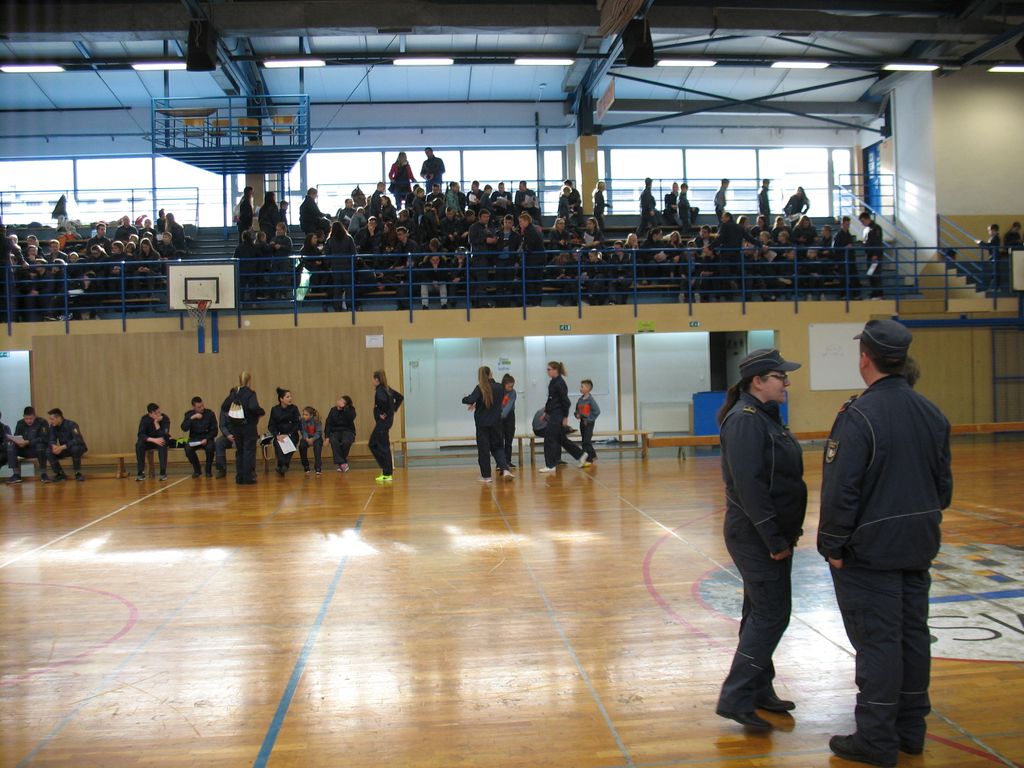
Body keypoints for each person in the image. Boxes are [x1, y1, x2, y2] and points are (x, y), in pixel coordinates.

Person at [818, 320, 952, 767]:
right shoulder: (932, 413)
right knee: (913, 637)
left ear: (865, 359)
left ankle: (876, 739)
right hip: (918, 544)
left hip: (871, 553)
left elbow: (841, 491)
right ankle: (911, 731)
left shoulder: (858, 416)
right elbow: (944, 490)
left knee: (877, 642)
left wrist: (832, 545)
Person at [714, 348, 806, 732]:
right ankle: (735, 696)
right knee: (771, 614)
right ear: (758, 381)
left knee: (760, 612)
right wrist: (773, 538)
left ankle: (757, 688)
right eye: (780, 377)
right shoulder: (745, 422)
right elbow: (750, 488)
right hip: (756, 535)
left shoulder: (764, 418)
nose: (787, 382)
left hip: (768, 534)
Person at [462, 366, 514, 483]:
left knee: (484, 450)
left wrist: (464, 399)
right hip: (496, 423)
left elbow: (471, 399)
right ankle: (505, 470)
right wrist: (478, 403)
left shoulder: (480, 388)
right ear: (491, 373)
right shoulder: (499, 387)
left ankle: (486, 477)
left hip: (482, 425)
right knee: (498, 447)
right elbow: (494, 402)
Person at [539, 361, 586, 473]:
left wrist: (565, 417)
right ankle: (581, 455)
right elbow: (551, 399)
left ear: (555, 370)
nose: (547, 371)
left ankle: (550, 465)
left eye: (549, 369)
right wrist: (546, 412)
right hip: (553, 414)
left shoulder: (560, 383)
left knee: (549, 438)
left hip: (558, 415)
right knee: (561, 439)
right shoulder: (553, 382)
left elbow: (566, 402)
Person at [222, 371, 264, 485]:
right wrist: (261, 412)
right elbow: (253, 407)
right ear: (249, 381)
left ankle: (239, 477)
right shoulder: (250, 393)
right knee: (249, 451)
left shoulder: (235, 392)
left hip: (236, 426)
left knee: (240, 451)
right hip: (248, 426)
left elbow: (224, 406)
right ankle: (248, 477)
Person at [369, 370, 402, 483]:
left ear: (377, 379)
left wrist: (385, 413)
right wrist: (392, 411)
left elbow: (385, 404)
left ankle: (387, 473)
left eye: (373, 378)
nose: (372, 380)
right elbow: (400, 398)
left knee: (381, 447)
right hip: (385, 423)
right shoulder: (386, 388)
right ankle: (386, 470)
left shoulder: (381, 391)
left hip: (383, 423)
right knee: (374, 444)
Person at [5, 406, 49, 484]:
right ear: (23, 417)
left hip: (36, 449)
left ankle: (43, 474)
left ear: (35, 416)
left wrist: (28, 442)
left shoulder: (42, 422)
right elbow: (16, 436)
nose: (28, 420)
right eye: (26, 418)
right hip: (23, 449)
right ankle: (16, 475)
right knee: (11, 445)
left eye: (31, 418)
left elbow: (44, 438)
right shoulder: (20, 423)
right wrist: (18, 442)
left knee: (41, 446)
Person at [45, 408, 87, 482]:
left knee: (75, 449)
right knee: (49, 451)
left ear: (59, 418)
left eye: (52, 419)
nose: (50, 421)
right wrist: (54, 446)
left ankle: (78, 473)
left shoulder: (72, 424)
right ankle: (60, 474)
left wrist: (61, 447)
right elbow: (51, 439)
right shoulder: (53, 426)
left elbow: (77, 439)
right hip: (65, 449)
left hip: (79, 447)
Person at [181, 396, 218, 478]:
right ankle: (197, 469)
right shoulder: (189, 414)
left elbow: (215, 430)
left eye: (202, 406)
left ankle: (208, 470)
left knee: (210, 448)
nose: (202, 408)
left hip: (207, 437)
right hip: (195, 438)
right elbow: (184, 428)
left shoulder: (210, 414)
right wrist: (192, 418)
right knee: (188, 449)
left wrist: (207, 438)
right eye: (199, 407)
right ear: (194, 407)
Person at [268, 387, 301, 476]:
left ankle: (282, 465)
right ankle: (283, 465)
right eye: (287, 397)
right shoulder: (275, 409)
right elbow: (271, 425)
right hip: (279, 435)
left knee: (290, 443)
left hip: (291, 434)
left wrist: (288, 434)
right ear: (281, 399)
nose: (290, 398)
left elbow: (297, 424)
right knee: (278, 445)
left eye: (290, 396)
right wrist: (277, 435)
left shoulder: (294, 408)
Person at [135, 402, 171, 481]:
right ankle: (140, 472)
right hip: (150, 441)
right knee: (139, 444)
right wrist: (153, 440)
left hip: (160, 440)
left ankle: (163, 472)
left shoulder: (165, 418)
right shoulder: (144, 419)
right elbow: (141, 434)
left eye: (159, 412)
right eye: (156, 413)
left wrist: (156, 423)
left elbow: (164, 434)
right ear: (150, 414)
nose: (158, 414)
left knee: (162, 443)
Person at [325, 395, 357, 472]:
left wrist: (344, 409)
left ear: (346, 404)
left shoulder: (350, 410)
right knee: (333, 440)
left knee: (346, 442)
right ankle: (343, 463)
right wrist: (327, 437)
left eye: (343, 402)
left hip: (348, 431)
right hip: (336, 431)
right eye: (340, 400)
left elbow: (351, 417)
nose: (339, 402)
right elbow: (328, 423)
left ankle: (341, 463)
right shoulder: (333, 410)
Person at [858, 211, 885, 299]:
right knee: (871, 274)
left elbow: (877, 242)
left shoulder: (876, 228)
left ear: (867, 219)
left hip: (874, 256)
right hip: (870, 255)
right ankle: (875, 292)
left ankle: (878, 293)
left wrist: (875, 254)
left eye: (863, 221)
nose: (862, 223)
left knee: (875, 274)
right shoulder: (868, 229)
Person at [574, 379, 601, 465]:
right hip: (582, 423)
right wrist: (577, 414)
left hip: (588, 423)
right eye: (581, 386)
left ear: (588, 388)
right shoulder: (580, 399)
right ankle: (593, 456)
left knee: (586, 441)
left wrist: (589, 419)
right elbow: (577, 410)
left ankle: (588, 459)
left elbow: (597, 411)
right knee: (585, 441)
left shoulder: (590, 400)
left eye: (582, 387)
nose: (580, 388)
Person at [213, 392, 235, 479]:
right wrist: (228, 435)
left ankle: (245, 469)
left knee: (244, 444)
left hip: (241, 435)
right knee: (218, 442)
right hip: (228, 435)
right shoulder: (225, 407)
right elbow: (222, 425)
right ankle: (221, 469)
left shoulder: (243, 407)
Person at [298, 406, 323, 476]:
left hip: (316, 438)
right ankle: (306, 466)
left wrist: (313, 439)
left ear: (311, 415)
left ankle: (318, 467)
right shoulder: (302, 420)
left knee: (317, 447)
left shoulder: (316, 420)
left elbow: (319, 432)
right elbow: (303, 431)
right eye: (303, 414)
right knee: (301, 446)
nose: (304, 416)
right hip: (307, 437)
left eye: (306, 415)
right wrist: (306, 438)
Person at [499, 374, 517, 469]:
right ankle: (500, 463)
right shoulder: (499, 391)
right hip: (499, 417)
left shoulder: (513, 393)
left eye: (512, 386)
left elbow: (509, 406)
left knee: (509, 440)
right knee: (500, 440)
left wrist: (502, 415)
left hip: (509, 416)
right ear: (504, 384)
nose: (511, 388)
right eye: (509, 386)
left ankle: (508, 461)